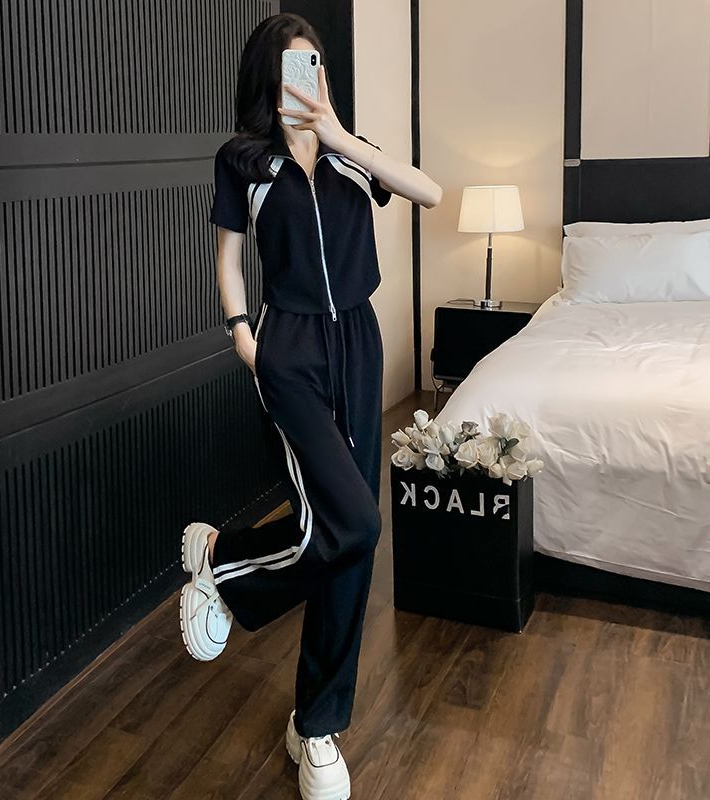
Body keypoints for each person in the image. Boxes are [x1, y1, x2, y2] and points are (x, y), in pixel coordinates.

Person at [179, 13, 442, 800]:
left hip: (358, 341)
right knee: (351, 522)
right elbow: (229, 256)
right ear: (269, 78)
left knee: (349, 533)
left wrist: (338, 136)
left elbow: (429, 191)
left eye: (317, 66)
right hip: (288, 348)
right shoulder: (245, 161)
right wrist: (242, 337)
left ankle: (315, 723)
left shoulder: (350, 155)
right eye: (295, 68)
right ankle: (226, 568)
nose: (309, 79)